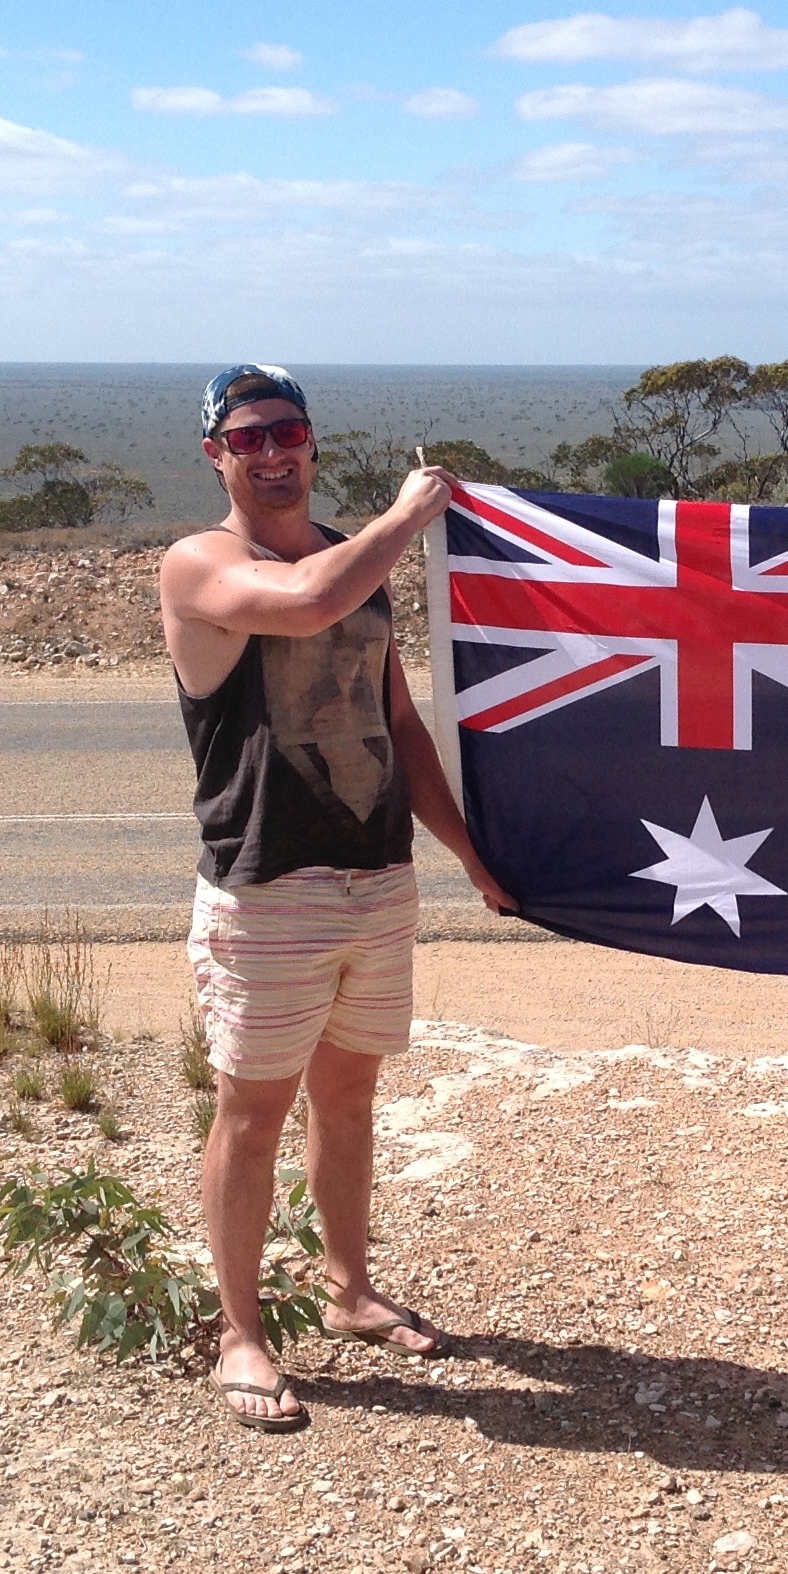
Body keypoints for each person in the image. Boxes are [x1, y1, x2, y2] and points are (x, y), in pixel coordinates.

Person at [159, 364, 514, 1432]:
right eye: (248, 437)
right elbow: (307, 604)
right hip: (269, 883)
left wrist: (470, 856)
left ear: (313, 442)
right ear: (216, 454)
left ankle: (349, 1289)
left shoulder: (351, 557)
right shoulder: (201, 564)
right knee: (253, 1111)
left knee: (349, 1094)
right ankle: (241, 1334)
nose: (272, 452)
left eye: (288, 431)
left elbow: (397, 723)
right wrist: (407, 518)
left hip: (375, 872)